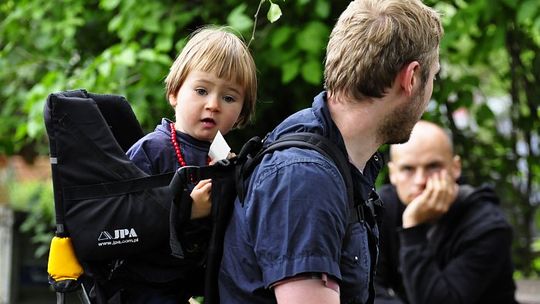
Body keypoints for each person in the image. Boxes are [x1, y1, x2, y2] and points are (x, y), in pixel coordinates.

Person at [219, 0, 443, 303]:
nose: (429, 91)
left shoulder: (337, 157)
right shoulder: (304, 177)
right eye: (433, 77)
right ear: (412, 78)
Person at [104, 26, 257, 303]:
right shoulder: (152, 150)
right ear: (174, 92)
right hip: (142, 288)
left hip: (195, 286)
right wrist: (186, 209)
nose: (213, 104)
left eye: (229, 97)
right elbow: (122, 221)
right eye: (201, 90)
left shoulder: (224, 159)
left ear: (241, 113)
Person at [374, 120, 518, 304]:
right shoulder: (384, 208)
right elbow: (364, 290)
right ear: (393, 173)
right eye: (408, 169)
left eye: (433, 166)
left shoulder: (488, 226)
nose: (420, 180)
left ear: (455, 168)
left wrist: (412, 227)